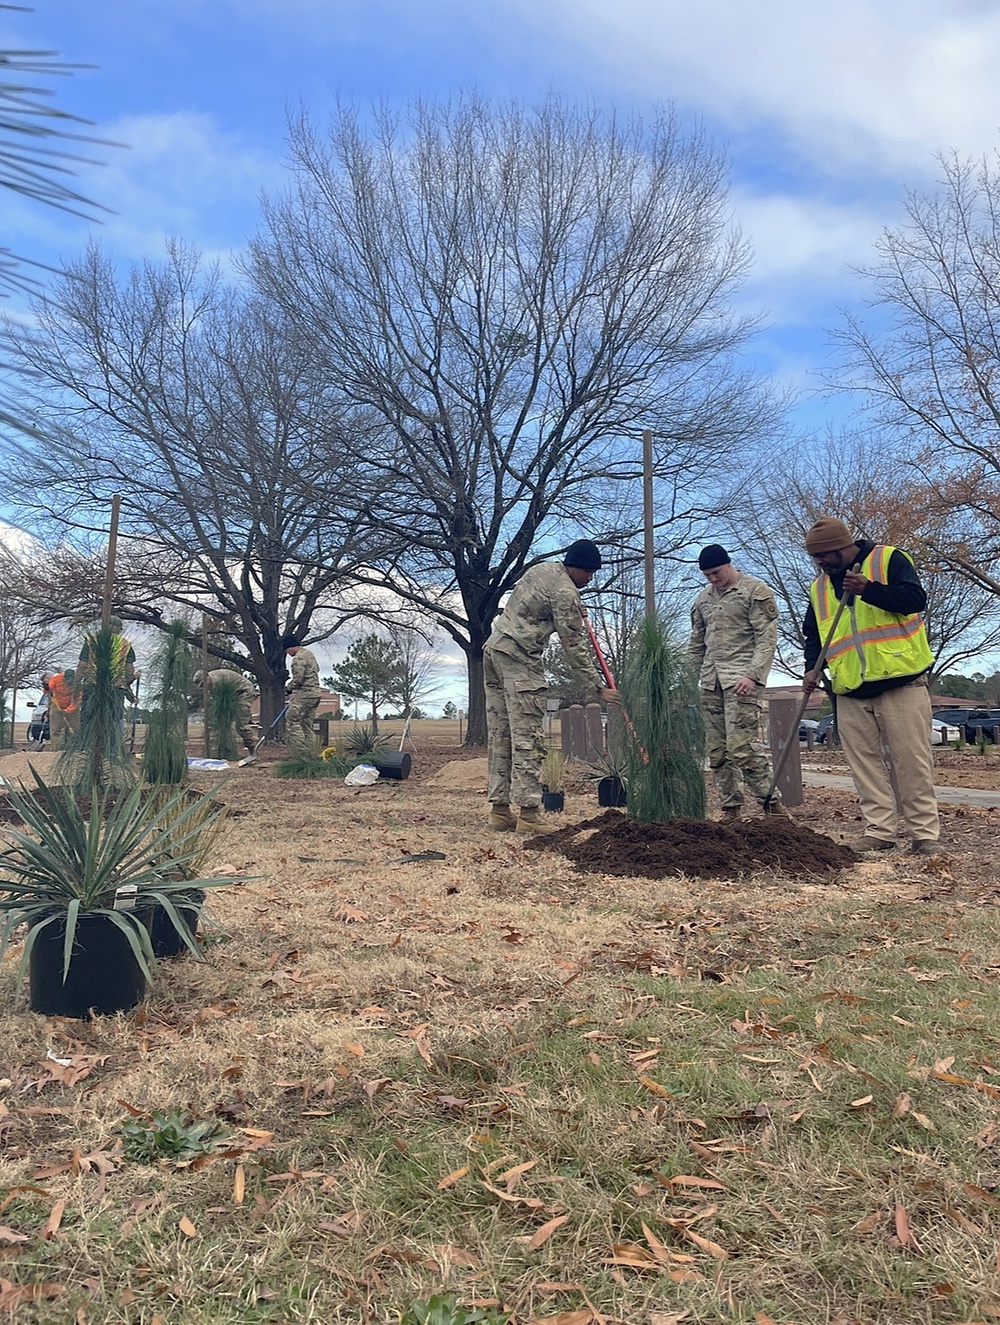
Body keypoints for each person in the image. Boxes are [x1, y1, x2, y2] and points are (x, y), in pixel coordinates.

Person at [801, 517, 940, 855]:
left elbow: (914, 599)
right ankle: (880, 831)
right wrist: (811, 668)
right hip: (849, 686)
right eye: (815, 558)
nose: (819, 564)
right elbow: (814, 634)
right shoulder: (819, 587)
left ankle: (925, 835)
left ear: (840, 548)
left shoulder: (889, 559)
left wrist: (869, 590)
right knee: (864, 764)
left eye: (822, 556)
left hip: (900, 680)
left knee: (912, 761)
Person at [484, 539, 618, 834]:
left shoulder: (542, 570)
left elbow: (536, 606)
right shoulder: (566, 592)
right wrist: (597, 687)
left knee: (500, 734)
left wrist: (573, 611)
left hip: (494, 651)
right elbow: (574, 646)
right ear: (576, 568)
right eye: (589, 573)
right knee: (526, 737)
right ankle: (529, 815)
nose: (591, 578)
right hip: (520, 658)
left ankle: (499, 811)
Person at [689, 544, 786, 819]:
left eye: (716, 573)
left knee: (742, 748)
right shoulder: (703, 599)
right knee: (717, 752)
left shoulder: (754, 591)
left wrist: (753, 675)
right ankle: (731, 810)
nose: (713, 579)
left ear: (729, 565)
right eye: (707, 575)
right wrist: (687, 679)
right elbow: (697, 643)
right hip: (711, 682)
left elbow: (766, 639)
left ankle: (773, 806)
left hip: (742, 681)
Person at [194, 668, 258, 758]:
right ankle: (224, 751)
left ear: (207, 677)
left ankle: (254, 750)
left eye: (203, 684)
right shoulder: (212, 683)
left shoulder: (217, 681)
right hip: (234, 695)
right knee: (222, 724)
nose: (203, 687)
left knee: (241, 724)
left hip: (244, 692)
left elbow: (221, 702)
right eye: (201, 686)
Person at [281, 634, 321, 758]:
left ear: (290, 647)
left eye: (286, 650)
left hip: (305, 693)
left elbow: (298, 679)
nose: (286, 653)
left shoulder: (298, 659)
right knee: (307, 724)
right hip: (315, 694)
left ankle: (300, 754)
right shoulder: (309, 654)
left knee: (291, 720)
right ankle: (312, 753)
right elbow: (317, 670)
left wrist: (289, 688)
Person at [47, 668, 81, 750]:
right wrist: (47, 688)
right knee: (55, 730)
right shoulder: (56, 679)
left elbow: (78, 700)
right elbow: (49, 687)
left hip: (71, 707)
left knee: (76, 728)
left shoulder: (78, 684)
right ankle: (55, 750)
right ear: (64, 677)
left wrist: (68, 710)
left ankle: (76, 749)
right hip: (56, 705)